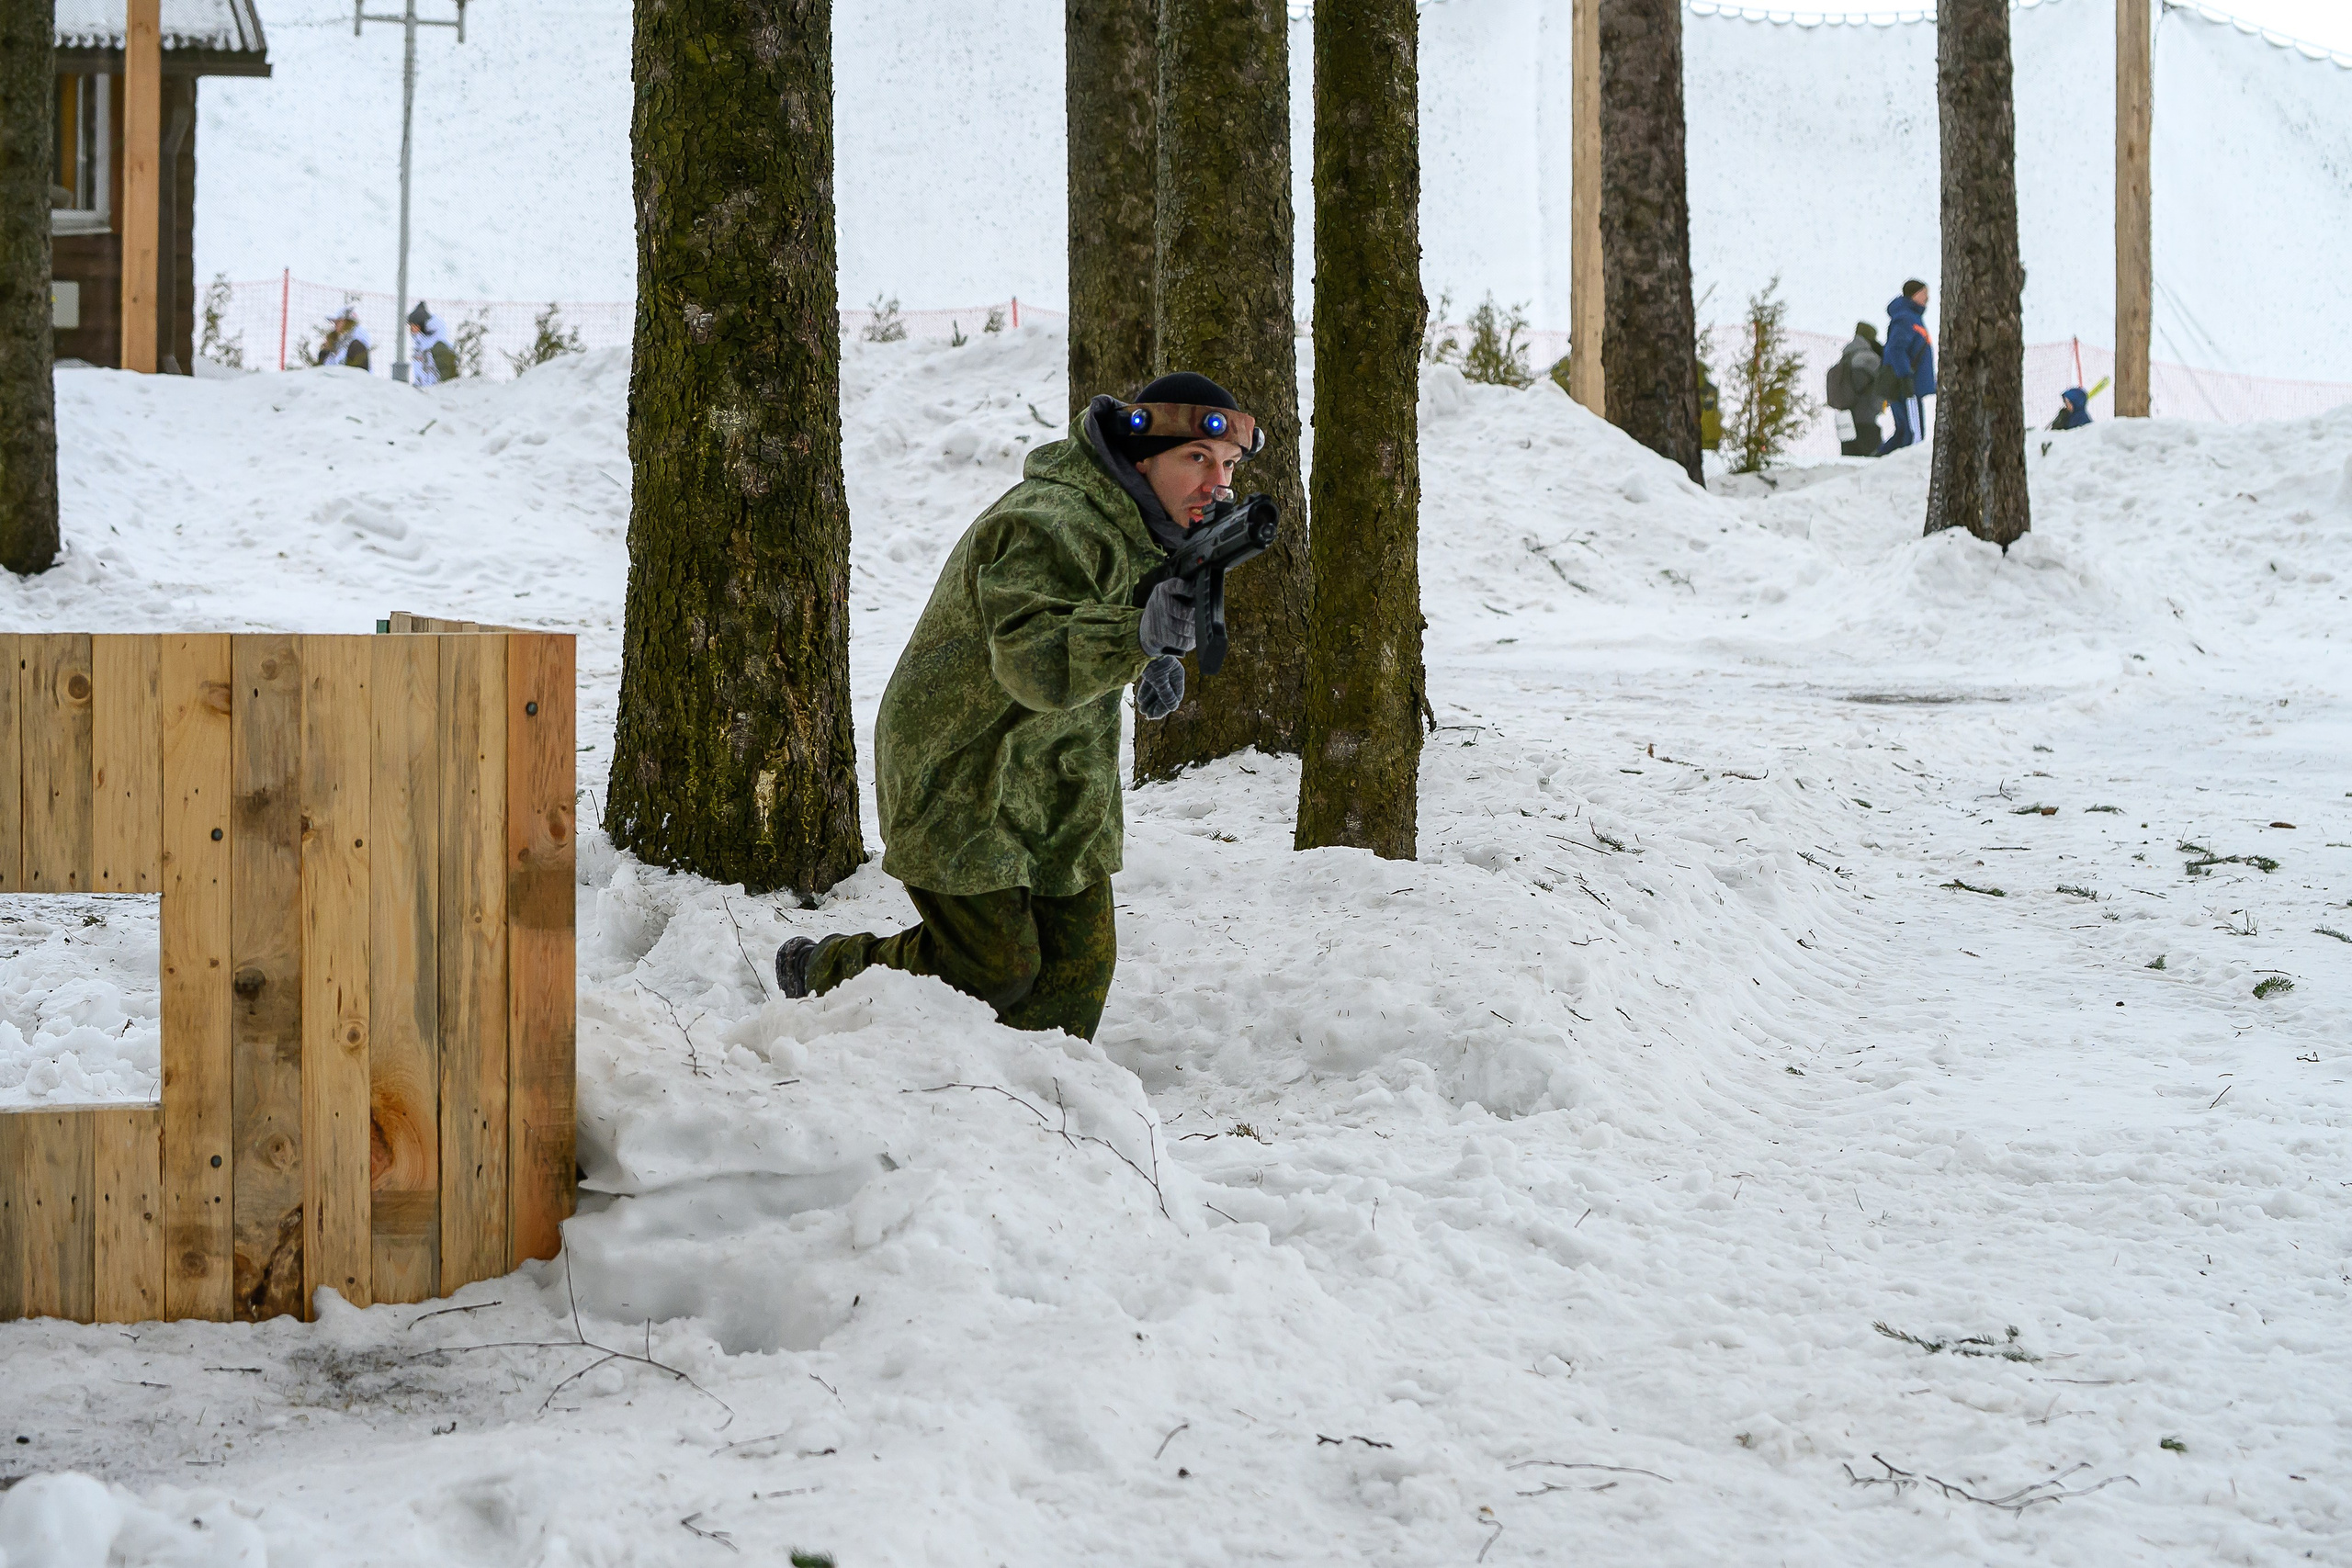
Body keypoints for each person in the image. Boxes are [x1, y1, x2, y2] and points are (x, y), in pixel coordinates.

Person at [774, 371, 1264, 1041]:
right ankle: (827, 968)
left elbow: (1114, 610)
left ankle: (1015, 1113)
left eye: (1229, 464)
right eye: (1198, 459)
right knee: (994, 967)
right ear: (1142, 457)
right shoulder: (1047, 523)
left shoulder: (1157, 525)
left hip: (1061, 774)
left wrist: (1147, 658)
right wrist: (1133, 636)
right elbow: (1031, 659)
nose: (1218, 483)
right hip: (961, 765)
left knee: (1077, 981)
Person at [1875, 279, 1936, 455]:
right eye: (1924, 293)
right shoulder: (1906, 318)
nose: (1927, 298)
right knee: (1914, 435)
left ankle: (1876, 462)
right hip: (1907, 386)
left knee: (1904, 432)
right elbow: (1896, 348)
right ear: (1914, 294)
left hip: (1908, 384)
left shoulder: (1911, 317)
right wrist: (1906, 376)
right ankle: (1909, 469)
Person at [1826, 321, 1886, 457]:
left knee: (1850, 462)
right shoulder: (1868, 358)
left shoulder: (1847, 356)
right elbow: (1879, 380)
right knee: (1872, 462)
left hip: (1846, 418)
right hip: (1865, 418)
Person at [406, 302, 459, 387]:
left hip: (438, 391)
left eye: (414, 325)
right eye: (410, 326)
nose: (411, 329)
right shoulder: (420, 344)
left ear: (422, 325)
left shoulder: (439, 347)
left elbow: (448, 376)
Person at [318, 305, 371, 372]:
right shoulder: (335, 341)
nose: (335, 325)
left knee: (356, 346)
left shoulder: (357, 341)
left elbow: (359, 373)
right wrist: (326, 350)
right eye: (335, 322)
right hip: (334, 380)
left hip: (352, 380)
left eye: (338, 321)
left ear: (348, 322)